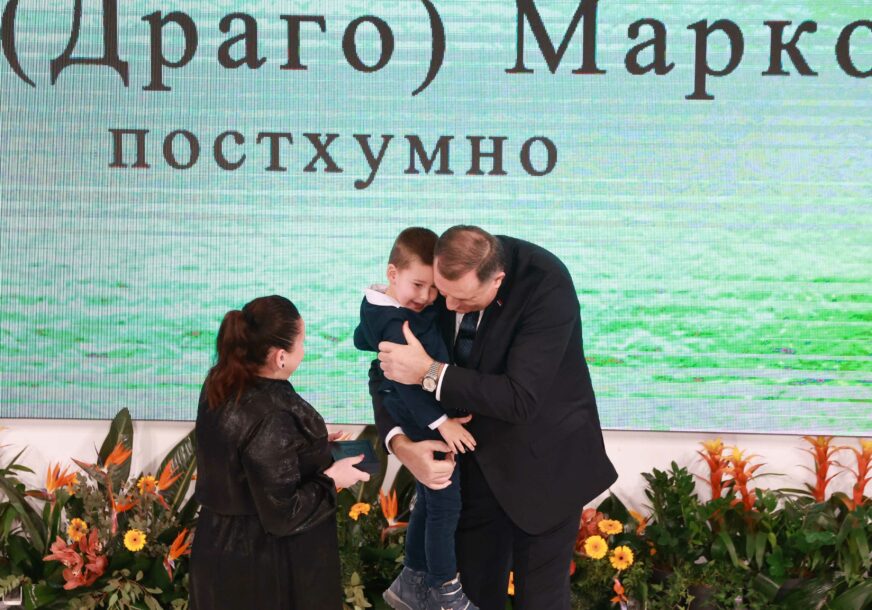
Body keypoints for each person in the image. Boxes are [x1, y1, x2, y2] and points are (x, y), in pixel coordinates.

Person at [371, 226, 618, 610]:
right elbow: (386, 371)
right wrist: (402, 445)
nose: (447, 305)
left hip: (545, 470)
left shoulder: (546, 284)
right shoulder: (436, 283)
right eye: (442, 292)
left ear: (497, 280)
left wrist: (430, 372)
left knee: (541, 603)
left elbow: (521, 398)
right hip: (470, 474)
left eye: (463, 298)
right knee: (471, 600)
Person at [190, 295, 370, 610]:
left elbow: (241, 456)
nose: (305, 350)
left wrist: (310, 447)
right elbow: (283, 513)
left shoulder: (219, 383)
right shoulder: (273, 414)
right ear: (281, 357)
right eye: (302, 342)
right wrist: (333, 480)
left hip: (216, 549)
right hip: (263, 565)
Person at [354, 227, 479, 610]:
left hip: (422, 409)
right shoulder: (394, 321)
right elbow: (404, 383)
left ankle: (411, 577)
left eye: (434, 288)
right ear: (393, 274)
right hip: (419, 414)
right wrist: (443, 422)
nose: (426, 297)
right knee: (444, 503)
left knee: (429, 495)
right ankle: (445, 588)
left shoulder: (396, 307)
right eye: (418, 286)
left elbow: (361, 336)